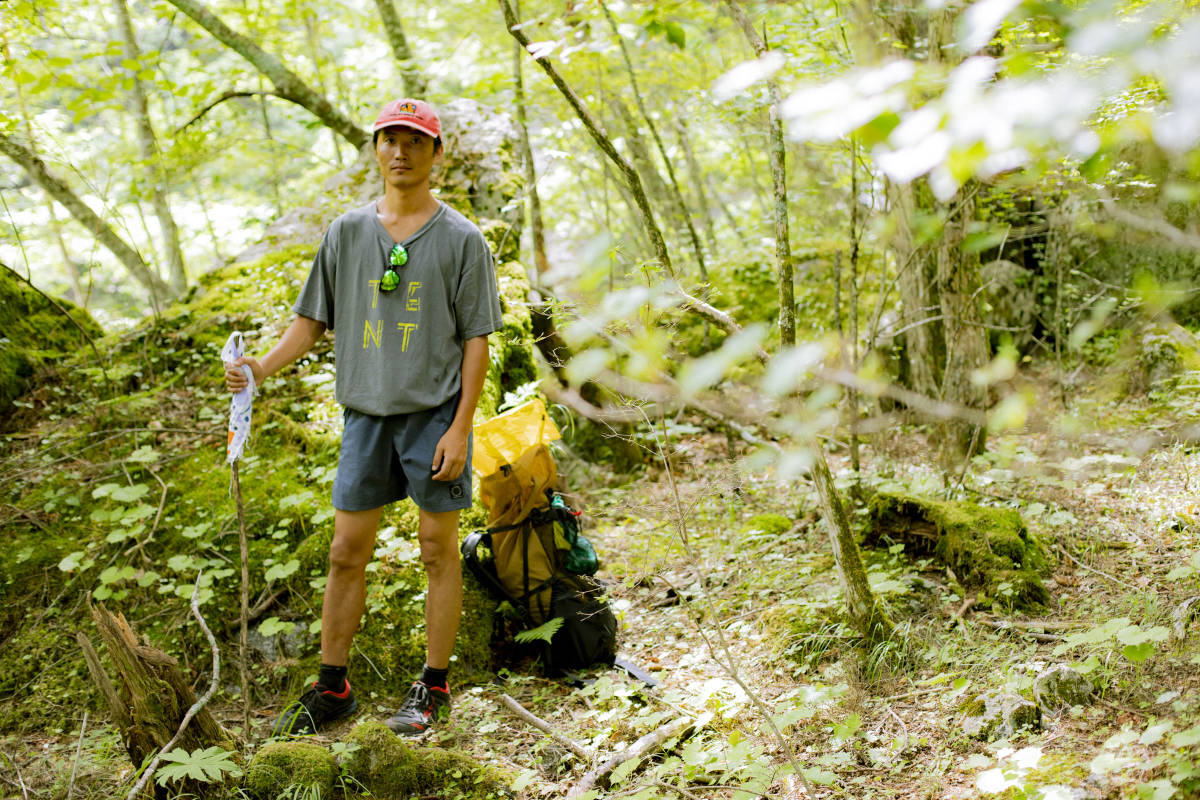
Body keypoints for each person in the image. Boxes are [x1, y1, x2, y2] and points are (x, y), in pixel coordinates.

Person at [224, 98, 502, 737]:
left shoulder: (461, 239)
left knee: (438, 550)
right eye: (389, 140)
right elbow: (310, 320)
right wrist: (260, 368)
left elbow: (477, 340)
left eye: (414, 141)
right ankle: (333, 687)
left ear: (436, 154)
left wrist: (461, 427)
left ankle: (434, 687)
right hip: (365, 417)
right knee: (347, 551)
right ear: (375, 149)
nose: (400, 151)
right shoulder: (347, 233)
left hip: (433, 415)